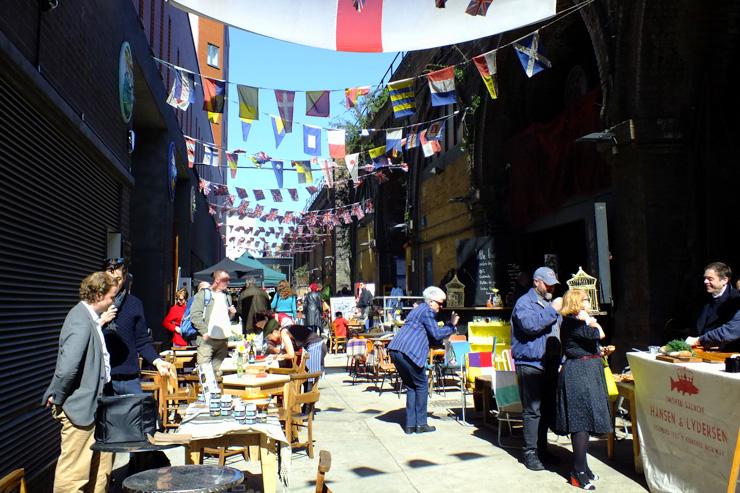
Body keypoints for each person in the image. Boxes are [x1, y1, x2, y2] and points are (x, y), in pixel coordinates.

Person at [43, 272, 118, 492]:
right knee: (74, 476)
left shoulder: (92, 319)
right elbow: (68, 368)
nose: (114, 301)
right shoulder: (79, 320)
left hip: (96, 405)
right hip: (80, 407)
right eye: (111, 296)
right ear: (98, 294)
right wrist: (57, 395)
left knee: (99, 471)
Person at [555, 289, 612, 490]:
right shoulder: (573, 323)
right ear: (577, 303)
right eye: (586, 300)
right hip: (579, 375)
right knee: (580, 422)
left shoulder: (577, 323)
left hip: (587, 373)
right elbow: (599, 333)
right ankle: (577, 472)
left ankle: (584, 467)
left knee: (586, 421)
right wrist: (591, 320)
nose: (589, 303)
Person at [510, 266, 563, 471]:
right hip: (531, 363)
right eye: (548, 283)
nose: (551, 287)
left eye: (553, 284)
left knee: (546, 409)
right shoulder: (524, 303)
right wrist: (553, 311)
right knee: (532, 411)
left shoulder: (549, 303)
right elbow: (530, 326)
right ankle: (529, 453)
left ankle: (542, 448)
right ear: (536, 282)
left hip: (549, 363)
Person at [388, 286, 459, 434]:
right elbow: (436, 334)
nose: (441, 307)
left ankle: (410, 425)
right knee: (421, 385)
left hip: (396, 349)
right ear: (431, 301)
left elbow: (427, 333)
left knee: (411, 386)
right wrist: (452, 325)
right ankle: (421, 424)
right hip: (409, 351)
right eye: (440, 303)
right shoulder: (427, 310)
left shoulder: (418, 309)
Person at [103, 258, 170, 395]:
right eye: (109, 279)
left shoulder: (134, 304)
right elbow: (85, 337)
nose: (113, 284)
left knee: (140, 414)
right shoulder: (96, 304)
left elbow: (142, 341)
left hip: (130, 379)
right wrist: (101, 321)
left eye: (118, 279)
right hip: (102, 380)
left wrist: (157, 361)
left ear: (125, 277)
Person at [686, 261, 740, 352]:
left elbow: (730, 330)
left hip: (726, 353)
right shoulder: (701, 298)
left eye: (710, 279)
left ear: (724, 280)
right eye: (705, 278)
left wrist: (700, 340)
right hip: (699, 350)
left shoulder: (736, 299)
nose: (705, 281)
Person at [191, 270, 236, 374]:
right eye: (226, 280)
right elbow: (195, 316)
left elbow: (225, 318)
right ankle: (205, 390)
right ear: (217, 280)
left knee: (219, 373)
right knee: (205, 373)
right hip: (207, 341)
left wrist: (231, 314)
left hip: (223, 340)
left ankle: (217, 391)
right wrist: (204, 332)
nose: (228, 282)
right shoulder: (203, 294)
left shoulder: (227, 296)